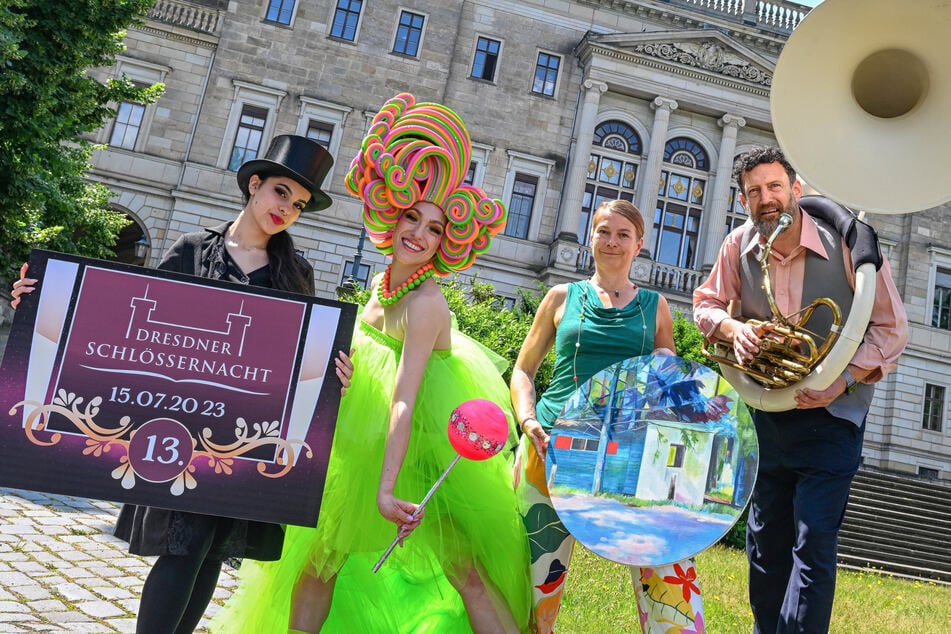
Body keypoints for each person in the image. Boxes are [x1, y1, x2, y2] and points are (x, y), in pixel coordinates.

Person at [210, 93, 531, 633]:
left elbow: (405, 397)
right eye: (413, 218)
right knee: (319, 559)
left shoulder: (427, 305)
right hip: (360, 437)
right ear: (392, 211)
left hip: (422, 445)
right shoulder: (380, 286)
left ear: (446, 242)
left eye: (435, 229)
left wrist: (385, 490)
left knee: (463, 568)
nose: (419, 235)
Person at [12, 133, 353, 633]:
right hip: (179, 433)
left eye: (299, 205)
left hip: (242, 439)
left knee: (210, 553)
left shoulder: (295, 272)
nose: (287, 209)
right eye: (281, 192)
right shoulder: (193, 250)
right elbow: (125, 324)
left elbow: (303, 360)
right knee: (184, 547)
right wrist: (39, 307)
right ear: (255, 185)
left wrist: (332, 380)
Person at [693, 146, 908, 633]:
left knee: (813, 545)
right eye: (753, 192)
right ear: (743, 199)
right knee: (765, 550)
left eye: (774, 187)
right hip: (767, 417)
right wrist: (731, 329)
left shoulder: (849, 243)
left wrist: (844, 379)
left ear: (796, 190)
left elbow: (891, 330)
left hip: (832, 418)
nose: (765, 199)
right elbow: (705, 304)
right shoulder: (736, 245)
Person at [510, 198, 706, 634]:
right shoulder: (562, 297)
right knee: (532, 581)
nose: (612, 242)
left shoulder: (656, 307)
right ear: (590, 237)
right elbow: (524, 371)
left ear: (640, 244)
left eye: (623, 235)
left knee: (669, 576)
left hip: (627, 459)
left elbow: (666, 381)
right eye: (603, 231)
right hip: (550, 448)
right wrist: (528, 420)